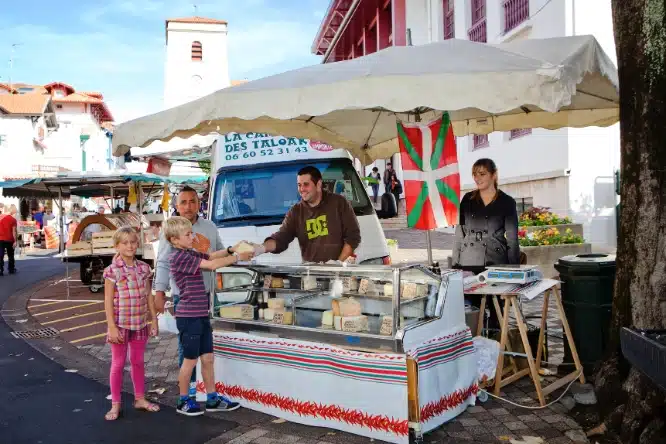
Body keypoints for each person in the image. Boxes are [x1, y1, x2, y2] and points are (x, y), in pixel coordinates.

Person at [164, 216, 253, 416]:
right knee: (189, 360)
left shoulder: (188, 252)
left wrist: (231, 250)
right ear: (174, 240)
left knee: (208, 358)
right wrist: (238, 257)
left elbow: (211, 256)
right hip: (189, 317)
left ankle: (212, 398)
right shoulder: (178, 257)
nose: (192, 236)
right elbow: (212, 266)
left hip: (201, 314)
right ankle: (183, 399)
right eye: (187, 234)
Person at [154, 187, 228, 398]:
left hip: (208, 295)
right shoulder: (172, 231)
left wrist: (234, 253)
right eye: (183, 202)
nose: (188, 206)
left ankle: (210, 394)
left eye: (192, 201)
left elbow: (216, 253)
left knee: (206, 348)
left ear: (199, 203)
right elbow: (162, 263)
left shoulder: (209, 226)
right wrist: (159, 291)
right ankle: (189, 393)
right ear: (177, 206)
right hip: (184, 297)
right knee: (187, 350)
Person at [103, 227, 160, 421]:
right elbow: (108, 301)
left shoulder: (144, 268)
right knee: (118, 364)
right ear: (117, 245)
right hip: (120, 324)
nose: (130, 246)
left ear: (138, 243)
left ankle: (140, 399)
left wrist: (154, 320)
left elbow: (148, 296)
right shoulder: (112, 271)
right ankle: (116, 404)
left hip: (140, 323)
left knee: (137, 362)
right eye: (125, 242)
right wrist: (111, 326)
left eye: (133, 242)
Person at [253, 166, 361, 263]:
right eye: (299, 185)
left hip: (340, 275)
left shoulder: (339, 203)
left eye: (306, 184)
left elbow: (353, 237)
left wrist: (338, 266)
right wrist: (261, 248)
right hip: (311, 275)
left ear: (318, 184)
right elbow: (282, 237)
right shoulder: (296, 212)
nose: (301, 189)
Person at [452, 158, 520, 273]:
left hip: (495, 261)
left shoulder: (507, 202)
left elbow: (512, 239)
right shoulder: (467, 199)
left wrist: (514, 269)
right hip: (468, 261)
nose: (477, 178)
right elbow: (459, 234)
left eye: (482, 174)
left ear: (494, 175)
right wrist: (454, 264)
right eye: (474, 175)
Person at [0, 206, 18, 276]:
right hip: (9, 239)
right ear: (12, 212)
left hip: (0, 239)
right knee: (10, 255)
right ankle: (11, 269)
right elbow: (14, 231)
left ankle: (0, 270)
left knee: (0, 255)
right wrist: (15, 241)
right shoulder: (13, 219)